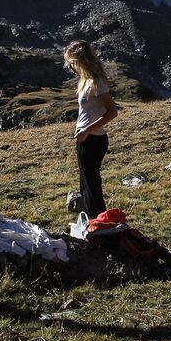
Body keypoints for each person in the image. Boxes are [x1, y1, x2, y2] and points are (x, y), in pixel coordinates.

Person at [64, 39, 118, 218]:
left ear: (80, 60)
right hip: (85, 138)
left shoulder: (97, 81)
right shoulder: (85, 81)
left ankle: (99, 223)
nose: (70, 66)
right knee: (85, 184)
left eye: (72, 62)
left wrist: (87, 130)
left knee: (92, 184)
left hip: (93, 139)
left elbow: (112, 112)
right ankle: (91, 222)